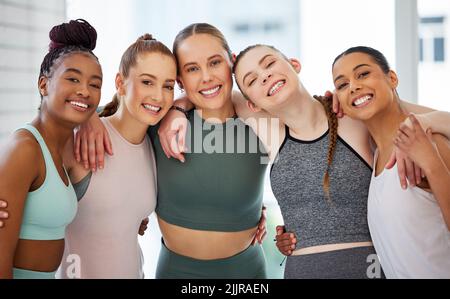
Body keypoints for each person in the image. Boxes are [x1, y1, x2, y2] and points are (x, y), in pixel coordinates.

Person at [232, 44, 450, 278]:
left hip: (366, 270)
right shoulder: (271, 134)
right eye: (251, 80)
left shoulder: (353, 117)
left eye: (269, 63)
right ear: (252, 105)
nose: (264, 75)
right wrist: (185, 108)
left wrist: (418, 123)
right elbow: (215, 93)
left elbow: (396, 107)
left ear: (295, 65)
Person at [71, 23, 268, 279]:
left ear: (232, 62)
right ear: (181, 80)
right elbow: (64, 113)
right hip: (176, 272)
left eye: (215, 62)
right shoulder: (157, 124)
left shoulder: (260, 124)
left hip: (247, 272)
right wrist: (87, 116)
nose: (206, 76)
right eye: (192, 68)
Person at [58, 34, 177, 278]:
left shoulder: (155, 143)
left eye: (167, 86)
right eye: (147, 82)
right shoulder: (82, 138)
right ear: (120, 83)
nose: (158, 96)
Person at [332, 46, 450, 278]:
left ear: (392, 78)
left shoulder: (429, 142)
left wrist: (432, 164)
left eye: (363, 74)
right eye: (342, 85)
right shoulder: (375, 157)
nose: (353, 86)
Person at [0, 19, 102, 279]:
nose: (85, 90)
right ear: (43, 85)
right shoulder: (25, 149)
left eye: (95, 84)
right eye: (73, 79)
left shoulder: (64, 147)